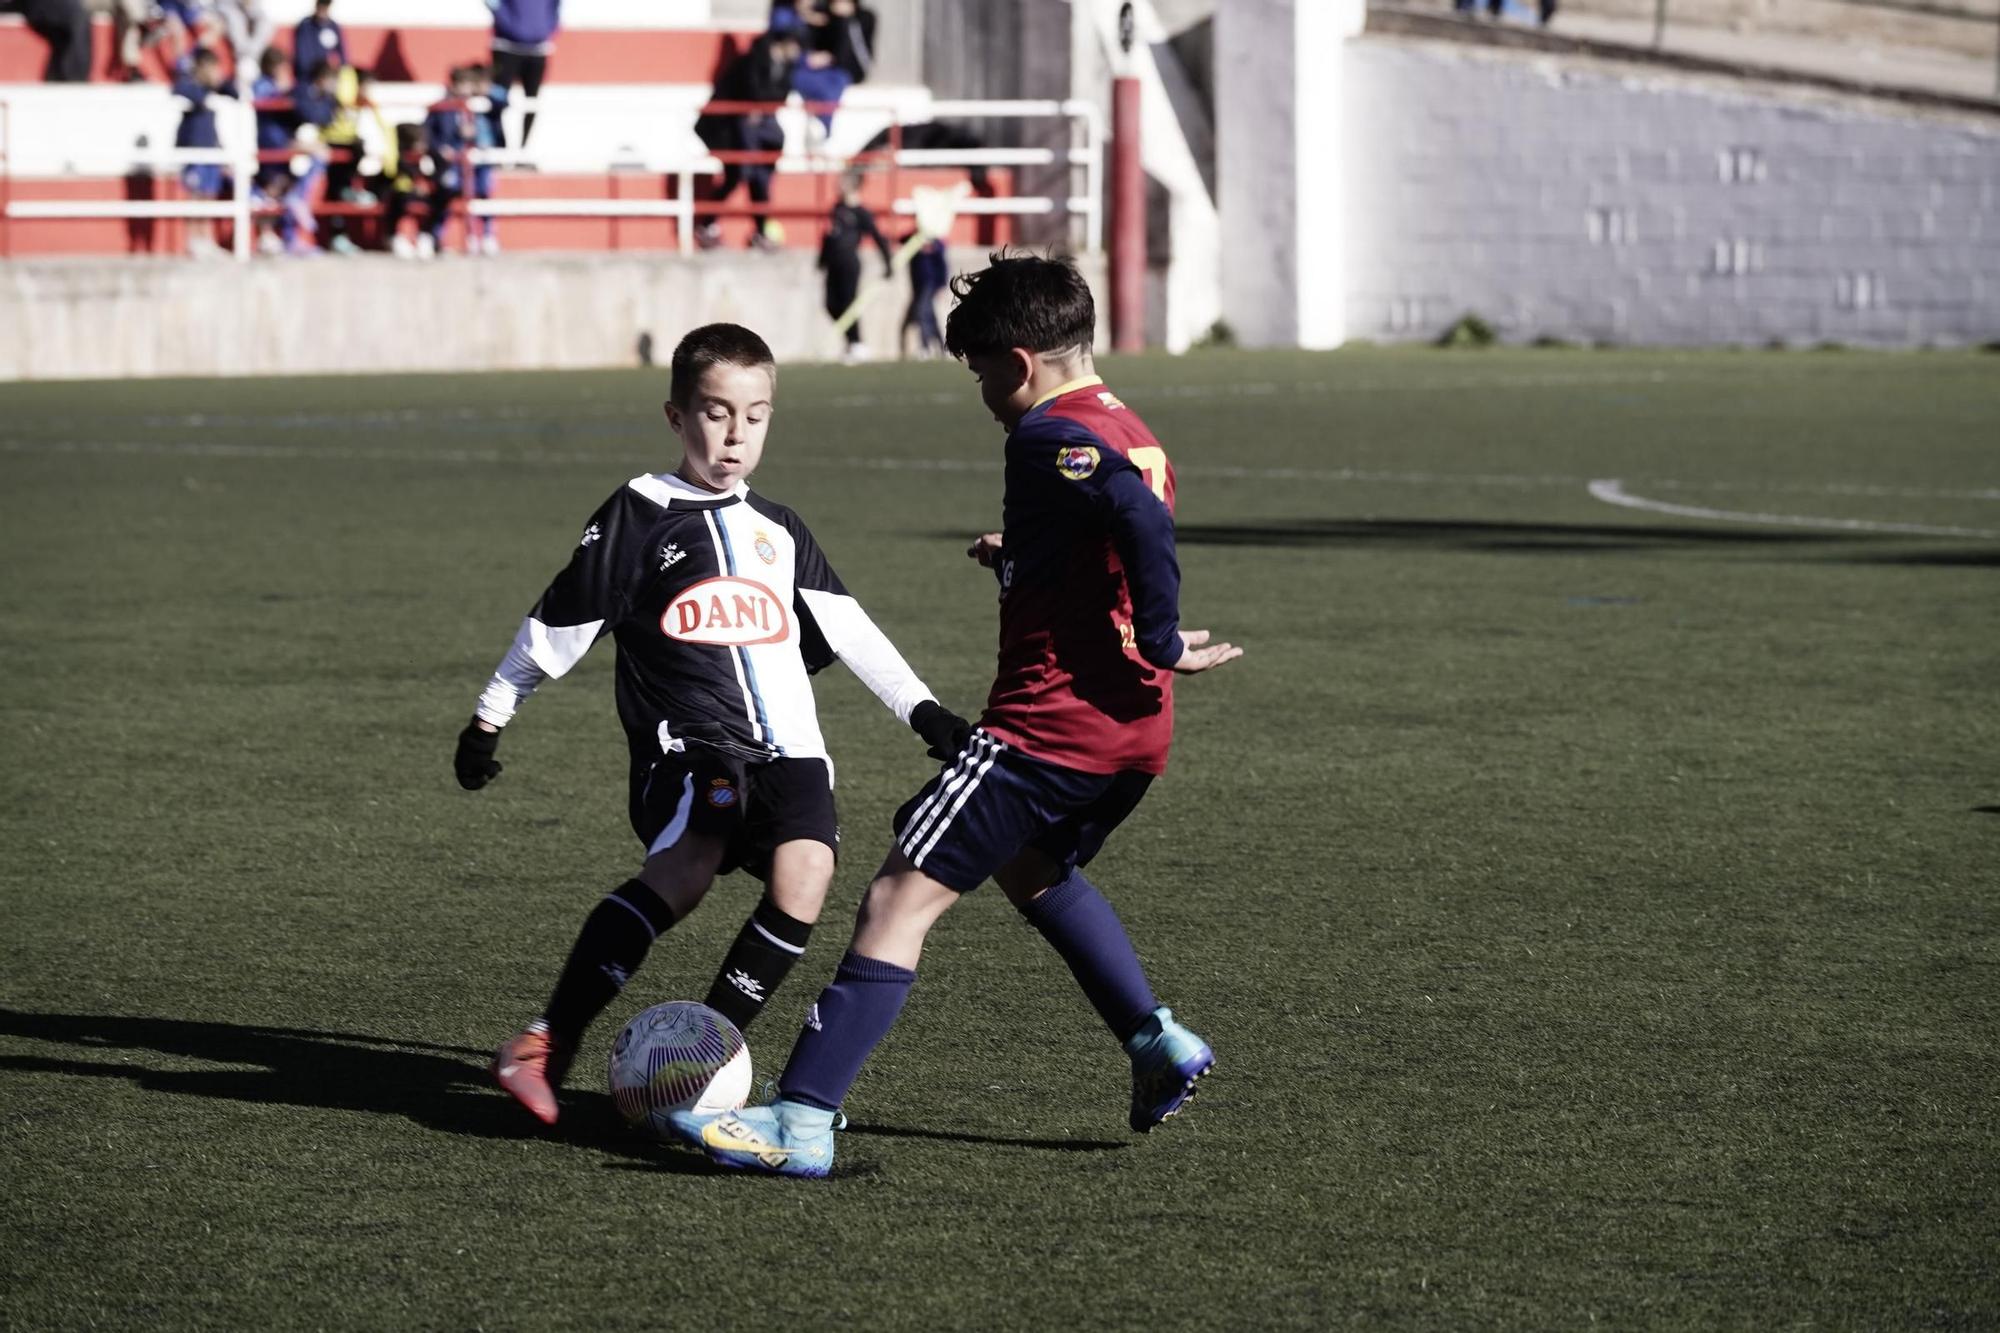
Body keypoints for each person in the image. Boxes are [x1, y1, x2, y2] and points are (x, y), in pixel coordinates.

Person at [665, 253, 1242, 1177]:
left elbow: (1139, 522)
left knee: (897, 900)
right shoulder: (1125, 426)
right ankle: (1155, 1038)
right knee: (1034, 869)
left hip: (1043, 732)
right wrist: (1025, 553)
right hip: (1133, 734)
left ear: (1017, 363)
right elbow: (1108, 522)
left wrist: (1165, 635)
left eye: (981, 375)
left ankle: (801, 1120)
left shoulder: (1046, 434)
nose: (985, 394)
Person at [458, 323, 972, 1129]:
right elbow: (563, 617)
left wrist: (926, 712)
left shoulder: (781, 528)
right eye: (716, 413)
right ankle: (544, 1042)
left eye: (756, 416)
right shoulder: (643, 510)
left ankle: (697, 1053)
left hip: (792, 747)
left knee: (807, 874)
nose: (735, 436)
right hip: (693, 743)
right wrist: (491, 715)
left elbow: (849, 628)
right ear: (676, 416)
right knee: (695, 854)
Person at [692, 16, 802, 251]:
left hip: (754, 133)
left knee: (759, 177)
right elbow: (751, 94)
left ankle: (759, 230)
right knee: (738, 174)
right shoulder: (754, 61)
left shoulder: (784, 68)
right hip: (726, 129)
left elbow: (776, 98)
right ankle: (708, 225)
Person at [423, 64, 500, 255]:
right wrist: (441, 149)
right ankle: (435, 236)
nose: (466, 90)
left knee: (484, 194)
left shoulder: (479, 105)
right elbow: (428, 133)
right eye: (462, 84)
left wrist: (473, 135)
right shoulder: (442, 106)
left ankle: (485, 236)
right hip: (450, 162)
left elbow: (503, 102)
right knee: (446, 195)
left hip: (476, 160)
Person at [819, 171, 892, 364]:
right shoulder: (836, 209)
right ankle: (851, 342)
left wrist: (888, 263)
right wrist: (822, 259)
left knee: (848, 304)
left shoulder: (861, 213)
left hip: (849, 263)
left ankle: (857, 344)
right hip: (833, 264)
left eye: (842, 182)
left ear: (853, 185)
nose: (838, 185)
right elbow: (829, 238)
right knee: (830, 304)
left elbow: (878, 238)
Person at [172, 47, 236, 256]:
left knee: (209, 195)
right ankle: (193, 240)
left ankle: (206, 239)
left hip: (211, 152)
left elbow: (234, 92)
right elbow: (179, 90)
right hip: (193, 152)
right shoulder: (189, 86)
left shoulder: (214, 90)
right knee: (195, 196)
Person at [487, 0, 560, 148]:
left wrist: (547, 28)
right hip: (506, 47)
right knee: (498, 99)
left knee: (532, 102)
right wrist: (508, 23)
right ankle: (500, 147)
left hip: (538, 48)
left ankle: (524, 151)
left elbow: (556, 6)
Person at [903, 235, 947, 359]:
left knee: (922, 314)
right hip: (918, 287)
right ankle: (942, 346)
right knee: (931, 317)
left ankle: (925, 346)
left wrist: (941, 285)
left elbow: (942, 265)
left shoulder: (935, 245)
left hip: (929, 285)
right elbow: (902, 239)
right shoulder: (915, 242)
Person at [292, 0, 344, 81]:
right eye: (321, 5)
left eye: (325, 6)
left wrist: (337, 66)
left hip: (326, 75)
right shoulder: (305, 26)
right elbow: (301, 54)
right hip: (307, 75)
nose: (322, 10)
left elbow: (343, 53)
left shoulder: (333, 27)